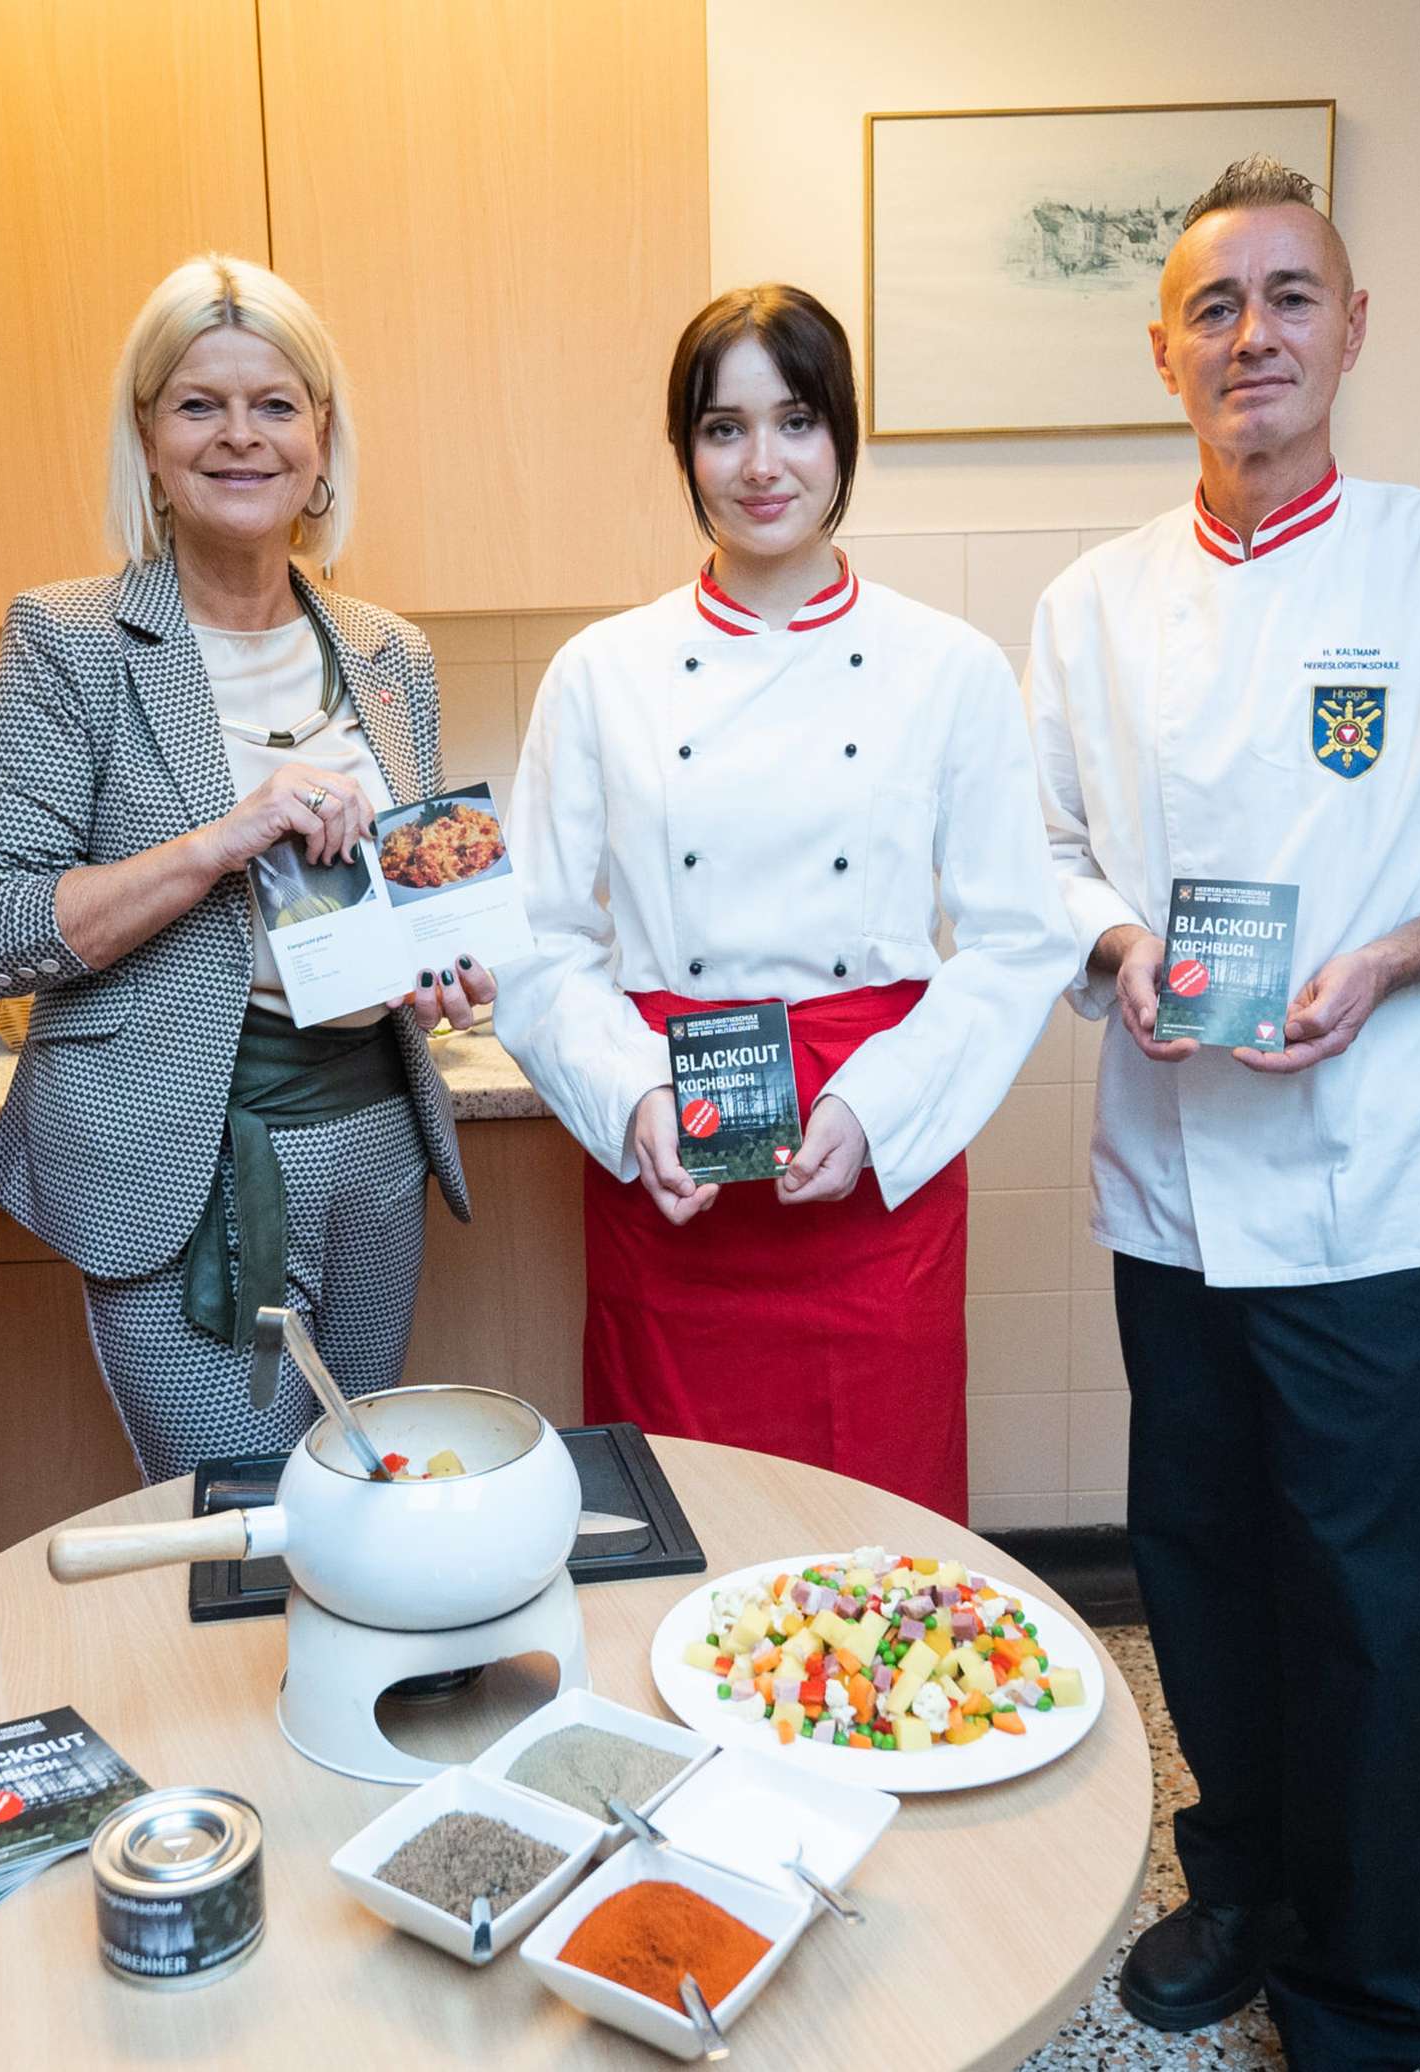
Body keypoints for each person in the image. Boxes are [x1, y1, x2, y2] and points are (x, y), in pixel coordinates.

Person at [1028, 157, 1420, 2068]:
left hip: (1376, 1189)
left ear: (1352, 328)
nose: (1254, 336)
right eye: (1215, 307)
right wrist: (1117, 942)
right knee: (1200, 1567)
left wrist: (1396, 953)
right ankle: (1234, 1884)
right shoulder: (1089, 603)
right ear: (1162, 351)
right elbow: (1032, 854)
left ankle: (1364, 1974)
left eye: (1290, 296)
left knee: (1368, 1604)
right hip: (1170, 1177)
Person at [493, 284, 1077, 1524]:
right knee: (678, 1519)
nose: (762, 464)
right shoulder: (602, 672)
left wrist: (877, 1105)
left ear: (843, 435)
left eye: (797, 421)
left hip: (872, 1159)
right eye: (724, 428)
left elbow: (1019, 941)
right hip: (675, 1165)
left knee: (876, 1531)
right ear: (685, 450)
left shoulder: (950, 667)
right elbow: (537, 938)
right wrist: (635, 1097)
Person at [0, 253, 489, 1483]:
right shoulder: (71, 640)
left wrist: (440, 971)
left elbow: (403, 901)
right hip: (179, 1162)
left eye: (275, 404)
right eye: (200, 404)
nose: (241, 435)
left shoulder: (389, 653)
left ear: (321, 434)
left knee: (356, 1506)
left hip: (376, 1146)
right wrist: (219, 840)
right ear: (148, 436)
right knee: (238, 1520)